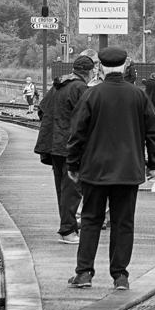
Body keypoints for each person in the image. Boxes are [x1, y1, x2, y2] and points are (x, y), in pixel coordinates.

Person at [63, 46, 155, 291]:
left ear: (101, 67)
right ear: (125, 66)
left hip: (95, 171)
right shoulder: (138, 96)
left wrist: (73, 165)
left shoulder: (91, 95)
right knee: (123, 223)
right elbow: (152, 133)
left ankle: (84, 273)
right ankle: (120, 276)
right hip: (129, 172)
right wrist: (153, 166)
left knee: (91, 220)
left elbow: (77, 134)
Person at [33, 53, 93, 244]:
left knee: (63, 189)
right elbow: (88, 117)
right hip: (70, 147)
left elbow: (41, 110)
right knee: (72, 190)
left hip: (54, 146)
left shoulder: (59, 85)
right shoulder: (80, 88)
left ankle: (68, 224)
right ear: (89, 72)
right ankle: (67, 230)